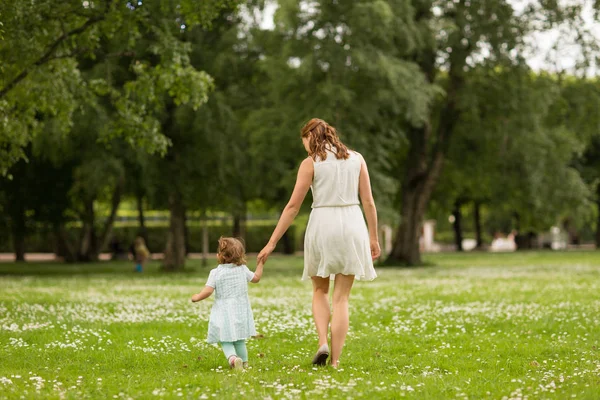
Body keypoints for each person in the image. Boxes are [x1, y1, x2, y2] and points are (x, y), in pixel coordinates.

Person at [257, 118, 380, 368]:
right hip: (352, 223)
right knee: (342, 298)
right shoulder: (357, 158)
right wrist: (374, 237)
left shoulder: (311, 163)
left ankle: (322, 341)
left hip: (323, 223)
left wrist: (271, 243)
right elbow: (368, 202)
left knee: (320, 290)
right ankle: (334, 362)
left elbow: (292, 207)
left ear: (308, 137)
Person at [191, 237, 264, 370]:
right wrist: (260, 264)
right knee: (240, 339)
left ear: (220, 256)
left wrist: (197, 297)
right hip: (241, 310)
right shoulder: (243, 269)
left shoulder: (216, 272)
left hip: (224, 311)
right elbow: (256, 278)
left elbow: (208, 291)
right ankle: (245, 364)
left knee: (225, 339)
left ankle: (233, 359)